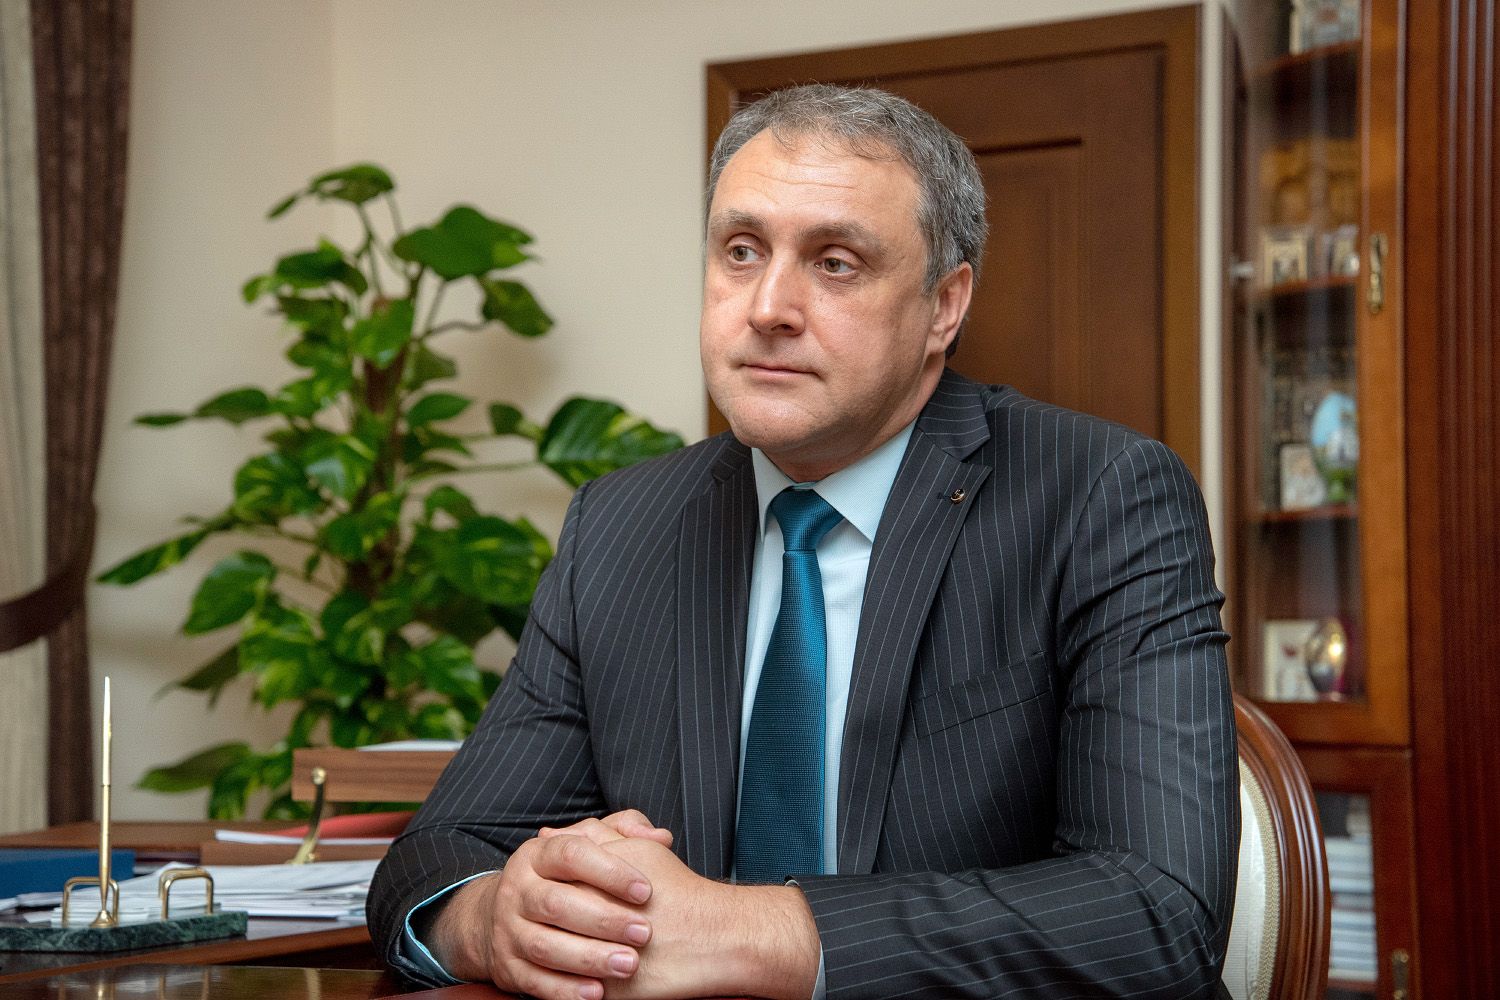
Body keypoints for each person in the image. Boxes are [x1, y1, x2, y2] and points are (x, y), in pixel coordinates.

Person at [368, 84, 1237, 1000]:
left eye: (835, 263)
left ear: (944, 306)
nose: (769, 306)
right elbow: (439, 854)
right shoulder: (619, 526)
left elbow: (1156, 914)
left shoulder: (1099, 495)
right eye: (741, 251)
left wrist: (750, 936)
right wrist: (497, 919)